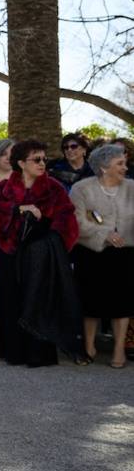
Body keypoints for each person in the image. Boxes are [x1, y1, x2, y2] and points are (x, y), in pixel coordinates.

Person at [0, 139, 80, 367]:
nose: (42, 163)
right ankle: (14, 352)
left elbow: (68, 220)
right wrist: (17, 209)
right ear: (21, 163)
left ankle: (40, 354)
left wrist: (45, 229)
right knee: (12, 301)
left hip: (42, 257)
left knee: (40, 301)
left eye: (44, 159)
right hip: (12, 254)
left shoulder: (54, 187)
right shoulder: (5, 187)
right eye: (37, 159)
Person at [69, 144, 134, 368]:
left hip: (125, 253)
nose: (125, 167)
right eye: (120, 163)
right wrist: (105, 234)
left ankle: (118, 350)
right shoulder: (81, 188)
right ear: (104, 167)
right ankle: (88, 345)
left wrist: (121, 236)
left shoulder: (132, 188)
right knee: (90, 300)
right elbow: (77, 221)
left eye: (125, 163)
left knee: (123, 302)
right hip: (90, 252)